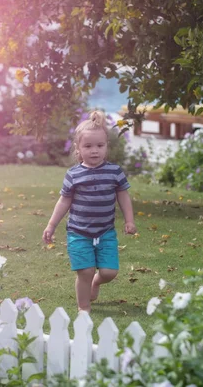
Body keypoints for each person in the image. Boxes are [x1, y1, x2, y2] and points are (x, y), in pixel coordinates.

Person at [42, 111, 137, 313]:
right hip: (79, 233)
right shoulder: (73, 174)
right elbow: (64, 200)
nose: (94, 151)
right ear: (78, 149)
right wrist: (51, 225)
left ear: (106, 147)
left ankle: (96, 282)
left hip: (105, 232)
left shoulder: (114, 172)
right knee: (84, 271)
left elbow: (123, 195)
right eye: (88, 146)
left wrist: (129, 220)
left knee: (110, 272)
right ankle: (83, 307)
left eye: (99, 146)